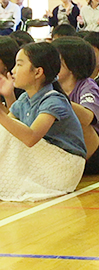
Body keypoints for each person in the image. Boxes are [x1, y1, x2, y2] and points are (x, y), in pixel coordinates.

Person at [0, 42, 86, 202]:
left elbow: (31, 138)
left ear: (38, 72)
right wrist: (8, 95)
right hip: (44, 161)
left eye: (19, 64)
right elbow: (6, 128)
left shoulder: (53, 100)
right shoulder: (26, 98)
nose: (13, 70)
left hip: (63, 166)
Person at [52, 37, 99, 175]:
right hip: (68, 145)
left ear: (72, 65)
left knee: (79, 121)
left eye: (56, 62)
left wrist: (58, 98)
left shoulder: (88, 86)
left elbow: (87, 118)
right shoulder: (51, 87)